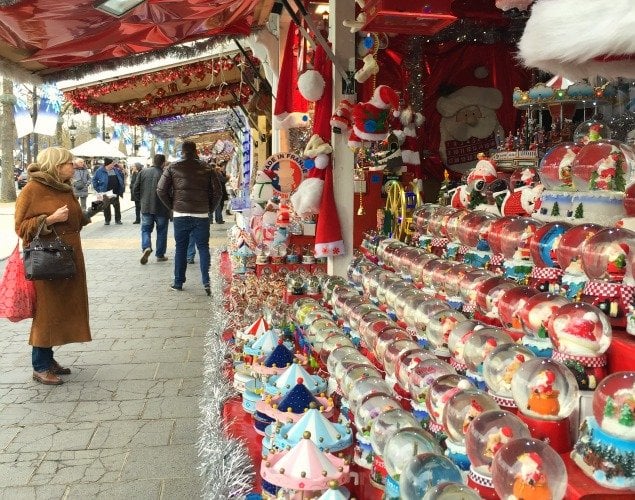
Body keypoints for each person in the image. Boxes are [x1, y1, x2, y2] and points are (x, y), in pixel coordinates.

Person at [14, 147, 104, 385]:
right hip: (48, 263)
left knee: (60, 310)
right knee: (47, 313)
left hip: (68, 260)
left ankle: (48, 359)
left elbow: (74, 221)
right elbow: (20, 227)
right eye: (68, 163)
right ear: (56, 166)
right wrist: (49, 220)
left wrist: (93, 210)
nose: (73, 166)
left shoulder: (64, 188)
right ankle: (40, 366)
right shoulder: (32, 189)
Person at [157, 141, 222, 295]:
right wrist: (209, 209)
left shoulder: (172, 167)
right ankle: (208, 283)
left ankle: (178, 282)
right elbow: (218, 192)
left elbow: (160, 190)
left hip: (180, 215)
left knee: (180, 248)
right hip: (201, 215)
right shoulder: (207, 168)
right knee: (203, 248)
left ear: (182, 151)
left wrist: (173, 206)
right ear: (195, 151)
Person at [133, 154, 171, 264]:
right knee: (162, 232)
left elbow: (136, 188)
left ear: (154, 161)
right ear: (163, 163)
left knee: (145, 230)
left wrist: (141, 200)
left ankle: (146, 247)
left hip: (146, 207)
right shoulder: (165, 174)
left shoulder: (143, 172)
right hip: (162, 208)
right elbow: (170, 191)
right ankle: (160, 254)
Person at [92, 157, 125, 225]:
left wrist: (122, 171)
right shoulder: (100, 170)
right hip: (105, 192)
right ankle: (107, 220)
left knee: (117, 206)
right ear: (108, 164)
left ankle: (118, 220)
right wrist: (98, 189)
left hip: (115, 191)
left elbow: (121, 176)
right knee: (106, 207)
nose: (113, 165)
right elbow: (94, 180)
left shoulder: (115, 169)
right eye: (112, 163)